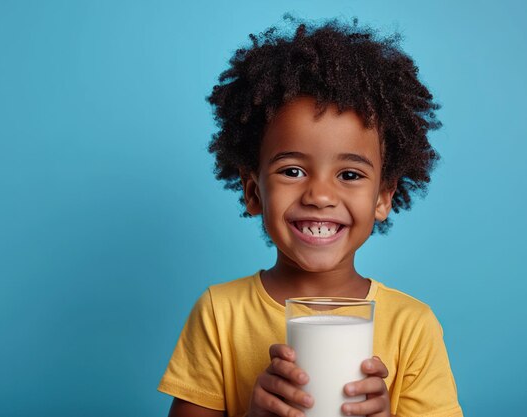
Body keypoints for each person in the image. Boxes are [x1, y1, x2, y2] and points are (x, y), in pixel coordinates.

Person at [159, 16, 462, 417]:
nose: (319, 195)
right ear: (254, 193)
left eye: (350, 175)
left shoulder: (412, 325)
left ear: (383, 199)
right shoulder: (220, 313)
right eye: (293, 171)